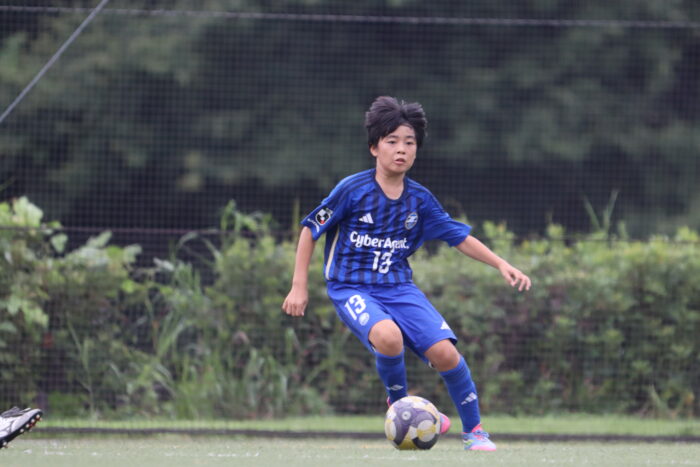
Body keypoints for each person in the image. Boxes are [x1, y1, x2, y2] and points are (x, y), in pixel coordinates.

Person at [282, 96, 531, 451]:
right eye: (392, 141)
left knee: (446, 353)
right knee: (388, 336)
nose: (401, 149)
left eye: (409, 142)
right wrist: (299, 286)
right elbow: (310, 229)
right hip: (351, 287)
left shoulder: (420, 200)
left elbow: (458, 237)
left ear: (416, 150)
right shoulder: (352, 190)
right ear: (374, 147)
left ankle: (475, 432)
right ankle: (400, 406)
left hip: (399, 288)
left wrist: (502, 264)